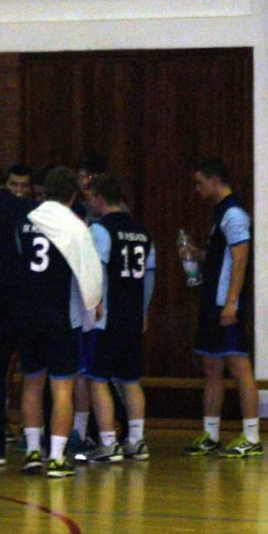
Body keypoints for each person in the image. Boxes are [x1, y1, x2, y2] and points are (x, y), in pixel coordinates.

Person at [16, 167, 102, 478]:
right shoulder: (75, 225)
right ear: (73, 196)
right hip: (61, 317)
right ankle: (55, 458)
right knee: (62, 388)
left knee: (31, 384)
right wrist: (94, 304)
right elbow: (90, 273)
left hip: (28, 314)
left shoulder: (26, 221)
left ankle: (32, 453)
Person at [182, 157, 263, 458]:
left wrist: (231, 303)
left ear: (215, 180)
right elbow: (222, 256)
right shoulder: (220, 213)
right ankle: (211, 435)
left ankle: (252, 437)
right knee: (212, 367)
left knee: (239, 367)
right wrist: (199, 255)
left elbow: (240, 258)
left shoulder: (234, 214)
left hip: (225, 305)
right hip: (212, 304)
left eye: (200, 183)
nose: (197, 189)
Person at [83, 174, 155, 462]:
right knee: (130, 379)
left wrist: (96, 304)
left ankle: (108, 443)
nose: (89, 203)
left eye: (90, 197)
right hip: (133, 316)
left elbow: (97, 271)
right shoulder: (142, 232)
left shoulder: (100, 230)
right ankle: (136, 441)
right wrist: (144, 310)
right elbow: (149, 276)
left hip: (107, 317)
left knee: (97, 378)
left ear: (100, 197)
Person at [0, 164, 36, 465]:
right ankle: (38, 443)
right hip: (30, 300)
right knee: (34, 372)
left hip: (0, 297)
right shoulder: (32, 210)